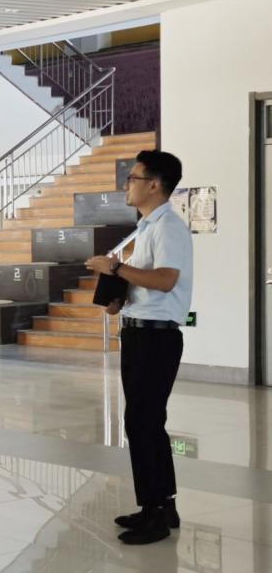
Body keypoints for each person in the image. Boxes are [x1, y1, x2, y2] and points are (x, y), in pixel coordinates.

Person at [86, 150, 194, 546]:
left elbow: (165, 280)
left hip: (155, 338)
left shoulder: (169, 228)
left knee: (143, 422)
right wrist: (120, 296)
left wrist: (115, 268)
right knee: (145, 422)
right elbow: (147, 281)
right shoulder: (148, 228)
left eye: (132, 178)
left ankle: (156, 514)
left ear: (154, 184)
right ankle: (161, 505)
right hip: (139, 332)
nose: (126, 185)